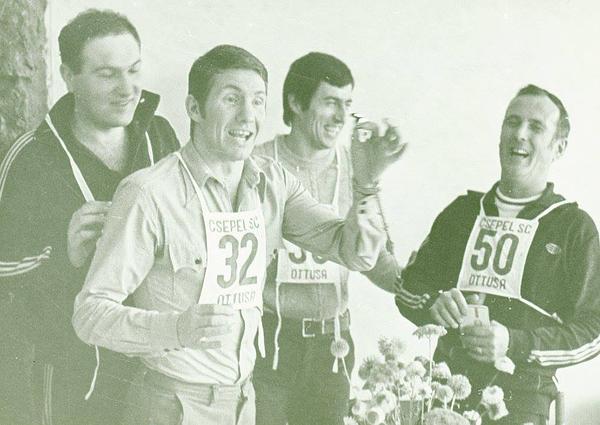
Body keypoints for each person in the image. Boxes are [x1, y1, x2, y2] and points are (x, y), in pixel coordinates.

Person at [72, 44, 404, 425]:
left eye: (258, 101)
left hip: (244, 402)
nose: (248, 116)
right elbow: (90, 314)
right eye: (231, 99)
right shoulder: (148, 193)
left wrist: (366, 181)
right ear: (195, 108)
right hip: (170, 403)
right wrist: (175, 329)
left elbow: (355, 253)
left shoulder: (273, 183)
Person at [0, 9, 179, 425]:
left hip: (156, 366)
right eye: (106, 74)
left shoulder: (161, 136)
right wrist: (63, 256)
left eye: (133, 70)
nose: (127, 89)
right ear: (69, 76)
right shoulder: (31, 158)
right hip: (75, 371)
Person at [395, 84, 600, 425]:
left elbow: (594, 330)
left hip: (522, 397)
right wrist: (432, 304)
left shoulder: (573, 227)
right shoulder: (461, 213)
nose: (520, 134)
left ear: (559, 147)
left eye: (536, 127)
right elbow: (407, 288)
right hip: (444, 390)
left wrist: (515, 343)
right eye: (512, 122)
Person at [252, 51, 401, 425]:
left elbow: (376, 260)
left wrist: (422, 290)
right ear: (296, 102)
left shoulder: (357, 167)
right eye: (330, 102)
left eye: (347, 104)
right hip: (268, 337)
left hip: (331, 344)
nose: (341, 117)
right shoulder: (255, 163)